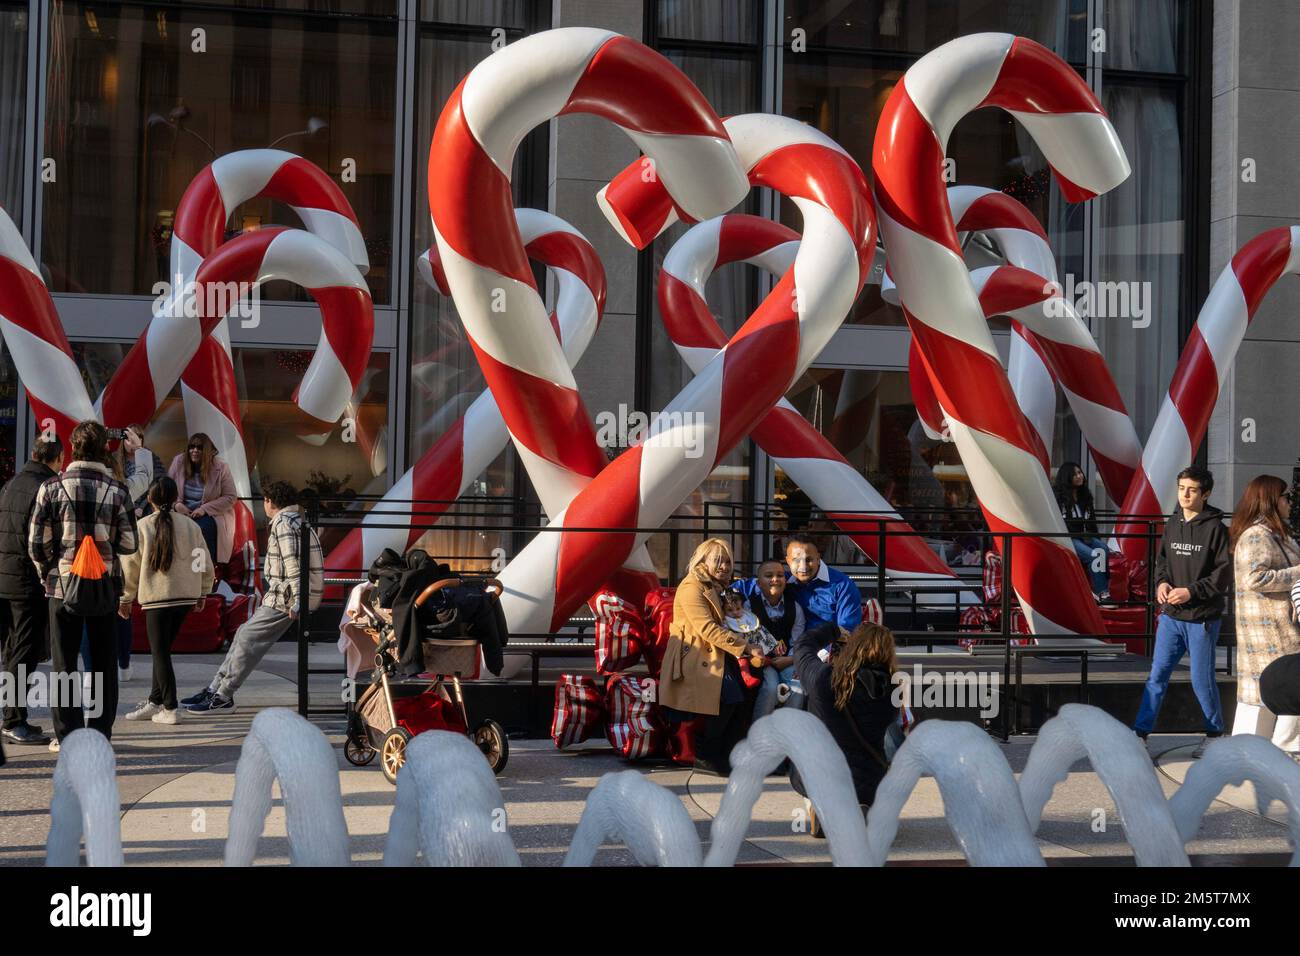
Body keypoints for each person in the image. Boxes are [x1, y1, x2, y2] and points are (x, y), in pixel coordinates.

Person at [29, 421, 137, 745]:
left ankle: (68, 735)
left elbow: (37, 544)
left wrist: (48, 571)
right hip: (104, 587)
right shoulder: (118, 490)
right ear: (105, 449)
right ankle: (100, 733)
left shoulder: (51, 487)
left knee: (64, 664)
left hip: (62, 587)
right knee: (104, 664)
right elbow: (130, 544)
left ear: (72, 449)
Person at [183, 481, 322, 713]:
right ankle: (215, 689)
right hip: (283, 596)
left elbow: (293, 564)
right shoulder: (294, 520)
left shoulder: (284, 524)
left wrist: (299, 600)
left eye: (265, 501)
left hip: (285, 599)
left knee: (247, 639)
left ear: (270, 502)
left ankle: (224, 695)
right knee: (242, 635)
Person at [1132, 466, 1231, 756]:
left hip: (1201, 619)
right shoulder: (1173, 523)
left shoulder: (1217, 529)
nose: (1185, 494)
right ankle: (1140, 734)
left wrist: (1191, 591)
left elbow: (1222, 575)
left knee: (1202, 680)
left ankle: (1214, 734)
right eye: (1181, 488)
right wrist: (1162, 582)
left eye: (1192, 489)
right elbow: (1161, 561)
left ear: (1206, 493)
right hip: (1171, 617)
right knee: (1157, 675)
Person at [658, 538, 766, 776]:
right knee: (730, 698)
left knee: (739, 699)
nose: (724, 566)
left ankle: (725, 756)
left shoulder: (717, 586)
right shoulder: (691, 587)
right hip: (694, 655)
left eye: (727, 561)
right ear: (703, 560)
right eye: (718, 560)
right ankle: (707, 755)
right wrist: (746, 647)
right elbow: (706, 628)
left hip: (717, 653)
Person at [790, 620, 900, 836]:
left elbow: (802, 646)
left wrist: (832, 631)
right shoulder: (891, 688)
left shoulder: (823, 679)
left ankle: (820, 809)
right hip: (870, 781)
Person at [119, 477, 214, 725]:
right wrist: (202, 590)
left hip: (157, 597)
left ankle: (170, 708)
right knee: (162, 651)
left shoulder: (142, 526)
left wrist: (125, 597)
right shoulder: (191, 526)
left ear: (149, 498)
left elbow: (130, 566)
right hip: (185, 596)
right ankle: (154, 701)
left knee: (160, 653)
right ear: (175, 499)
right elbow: (201, 560)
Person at [1229, 474, 1300, 755]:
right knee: (1268, 696)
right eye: (1286, 497)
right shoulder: (1256, 535)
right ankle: (1275, 754)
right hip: (1267, 632)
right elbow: (1253, 578)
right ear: (1271, 500)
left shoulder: (1277, 533)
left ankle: (1269, 754)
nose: (1290, 502)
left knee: (1274, 694)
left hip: (1280, 630)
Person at [0, 437, 63, 746]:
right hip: (28, 581)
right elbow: (42, 539)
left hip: (6, 579)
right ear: (57, 458)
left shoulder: (12, 484)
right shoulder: (46, 487)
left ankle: (13, 716)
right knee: (23, 652)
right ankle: (13, 719)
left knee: (13, 650)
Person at [111, 424, 161, 684]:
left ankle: (121, 663)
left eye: (137, 437)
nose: (130, 441)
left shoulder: (150, 460)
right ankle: (114, 665)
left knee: (120, 605)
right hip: (116, 538)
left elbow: (154, 485)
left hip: (132, 533)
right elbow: (139, 482)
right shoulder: (113, 465)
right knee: (117, 605)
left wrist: (142, 508)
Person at [167, 432, 237, 571]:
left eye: (199, 447)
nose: (194, 450)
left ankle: (204, 574)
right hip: (181, 511)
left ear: (207, 451)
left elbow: (230, 497)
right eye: (191, 447)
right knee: (170, 529)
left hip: (210, 514)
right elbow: (167, 489)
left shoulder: (221, 467)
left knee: (202, 529)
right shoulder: (179, 461)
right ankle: (178, 571)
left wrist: (204, 509)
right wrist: (176, 505)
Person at [746, 559, 806, 719]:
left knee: (798, 687)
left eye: (780, 575)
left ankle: (788, 733)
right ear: (758, 583)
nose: (775, 579)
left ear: (785, 581)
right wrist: (763, 659)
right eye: (768, 575)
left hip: (787, 660)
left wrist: (790, 659)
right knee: (770, 688)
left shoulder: (795, 608)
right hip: (762, 662)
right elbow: (747, 637)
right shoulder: (749, 607)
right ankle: (759, 733)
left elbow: (797, 641)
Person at [782, 533, 863, 633]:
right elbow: (759, 583)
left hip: (829, 646)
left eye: (809, 560)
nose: (803, 566)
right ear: (788, 561)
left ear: (818, 559)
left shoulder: (843, 585)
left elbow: (847, 630)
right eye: (796, 560)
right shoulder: (782, 580)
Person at [1054, 461, 1109, 597]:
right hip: (1070, 538)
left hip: (1087, 536)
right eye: (1075, 474)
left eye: (1080, 473)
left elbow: (1092, 521)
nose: (1079, 476)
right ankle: (1102, 592)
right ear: (1067, 477)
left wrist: (1095, 538)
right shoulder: (1058, 497)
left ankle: (1100, 588)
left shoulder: (1085, 495)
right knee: (1094, 556)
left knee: (1103, 549)